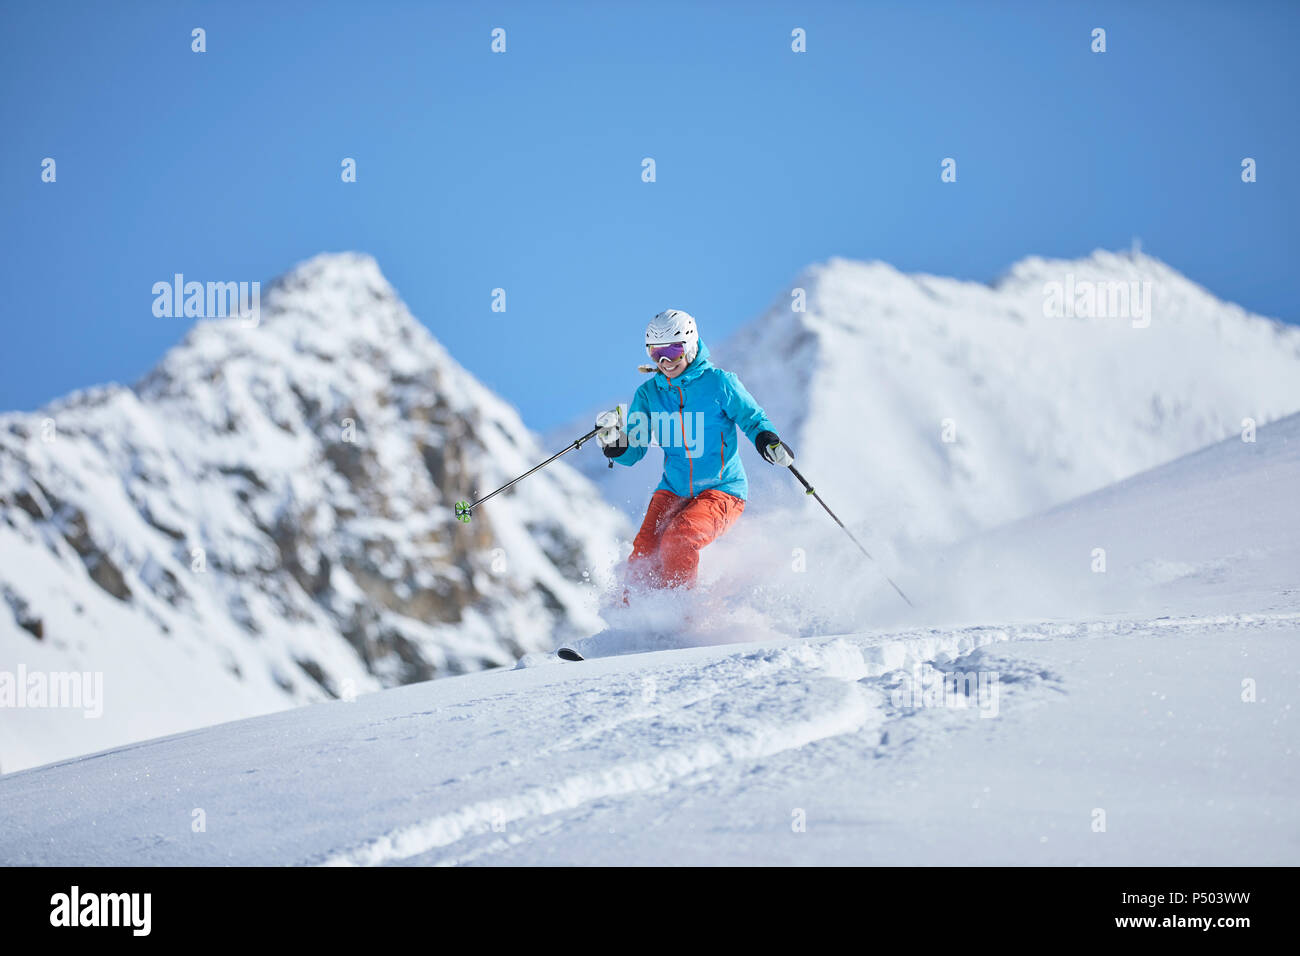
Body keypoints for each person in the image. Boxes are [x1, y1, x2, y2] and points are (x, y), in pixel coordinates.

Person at [595, 309, 793, 592]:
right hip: (674, 489)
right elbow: (634, 451)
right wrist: (614, 443)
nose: (665, 361)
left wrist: (767, 440)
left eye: (673, 351)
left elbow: (752, 419)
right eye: (656, 353)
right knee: (645, 550)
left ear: (689, 345)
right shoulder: (648, 395)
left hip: (722, 489)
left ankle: (682, 619)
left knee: (680, 537)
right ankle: (633, 621)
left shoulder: (719, 383)